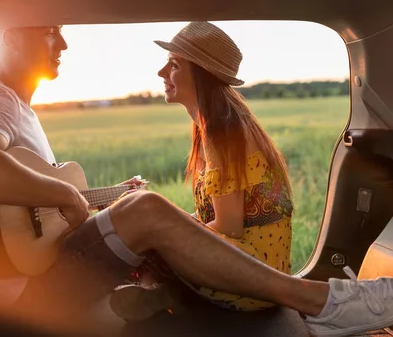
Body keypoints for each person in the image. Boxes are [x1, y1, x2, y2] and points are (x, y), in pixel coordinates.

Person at [0, 24, 393, 337]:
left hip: (43, 269)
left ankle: (171, 291)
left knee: (149, 209)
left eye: (174, 63)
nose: (65, 43)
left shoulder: (19, 110)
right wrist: (66, 194)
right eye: (50, 31)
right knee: (151, 209)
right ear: (10, 36)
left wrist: (86, 201)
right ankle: (322, 301)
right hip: (26, 291)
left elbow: (40, 206)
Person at [109, 20, 295, 319]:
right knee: (151, 226)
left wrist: (168, 229)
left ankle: (154, 288)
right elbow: (217, 221)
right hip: (257, 271)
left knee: (148, 237)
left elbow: (228, 227)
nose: (161, 73)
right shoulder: (218, 125)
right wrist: (172, 222)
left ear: (201, 73)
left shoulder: (222, 133)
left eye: (174, 64)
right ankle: (158, 289)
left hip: (252, 282)